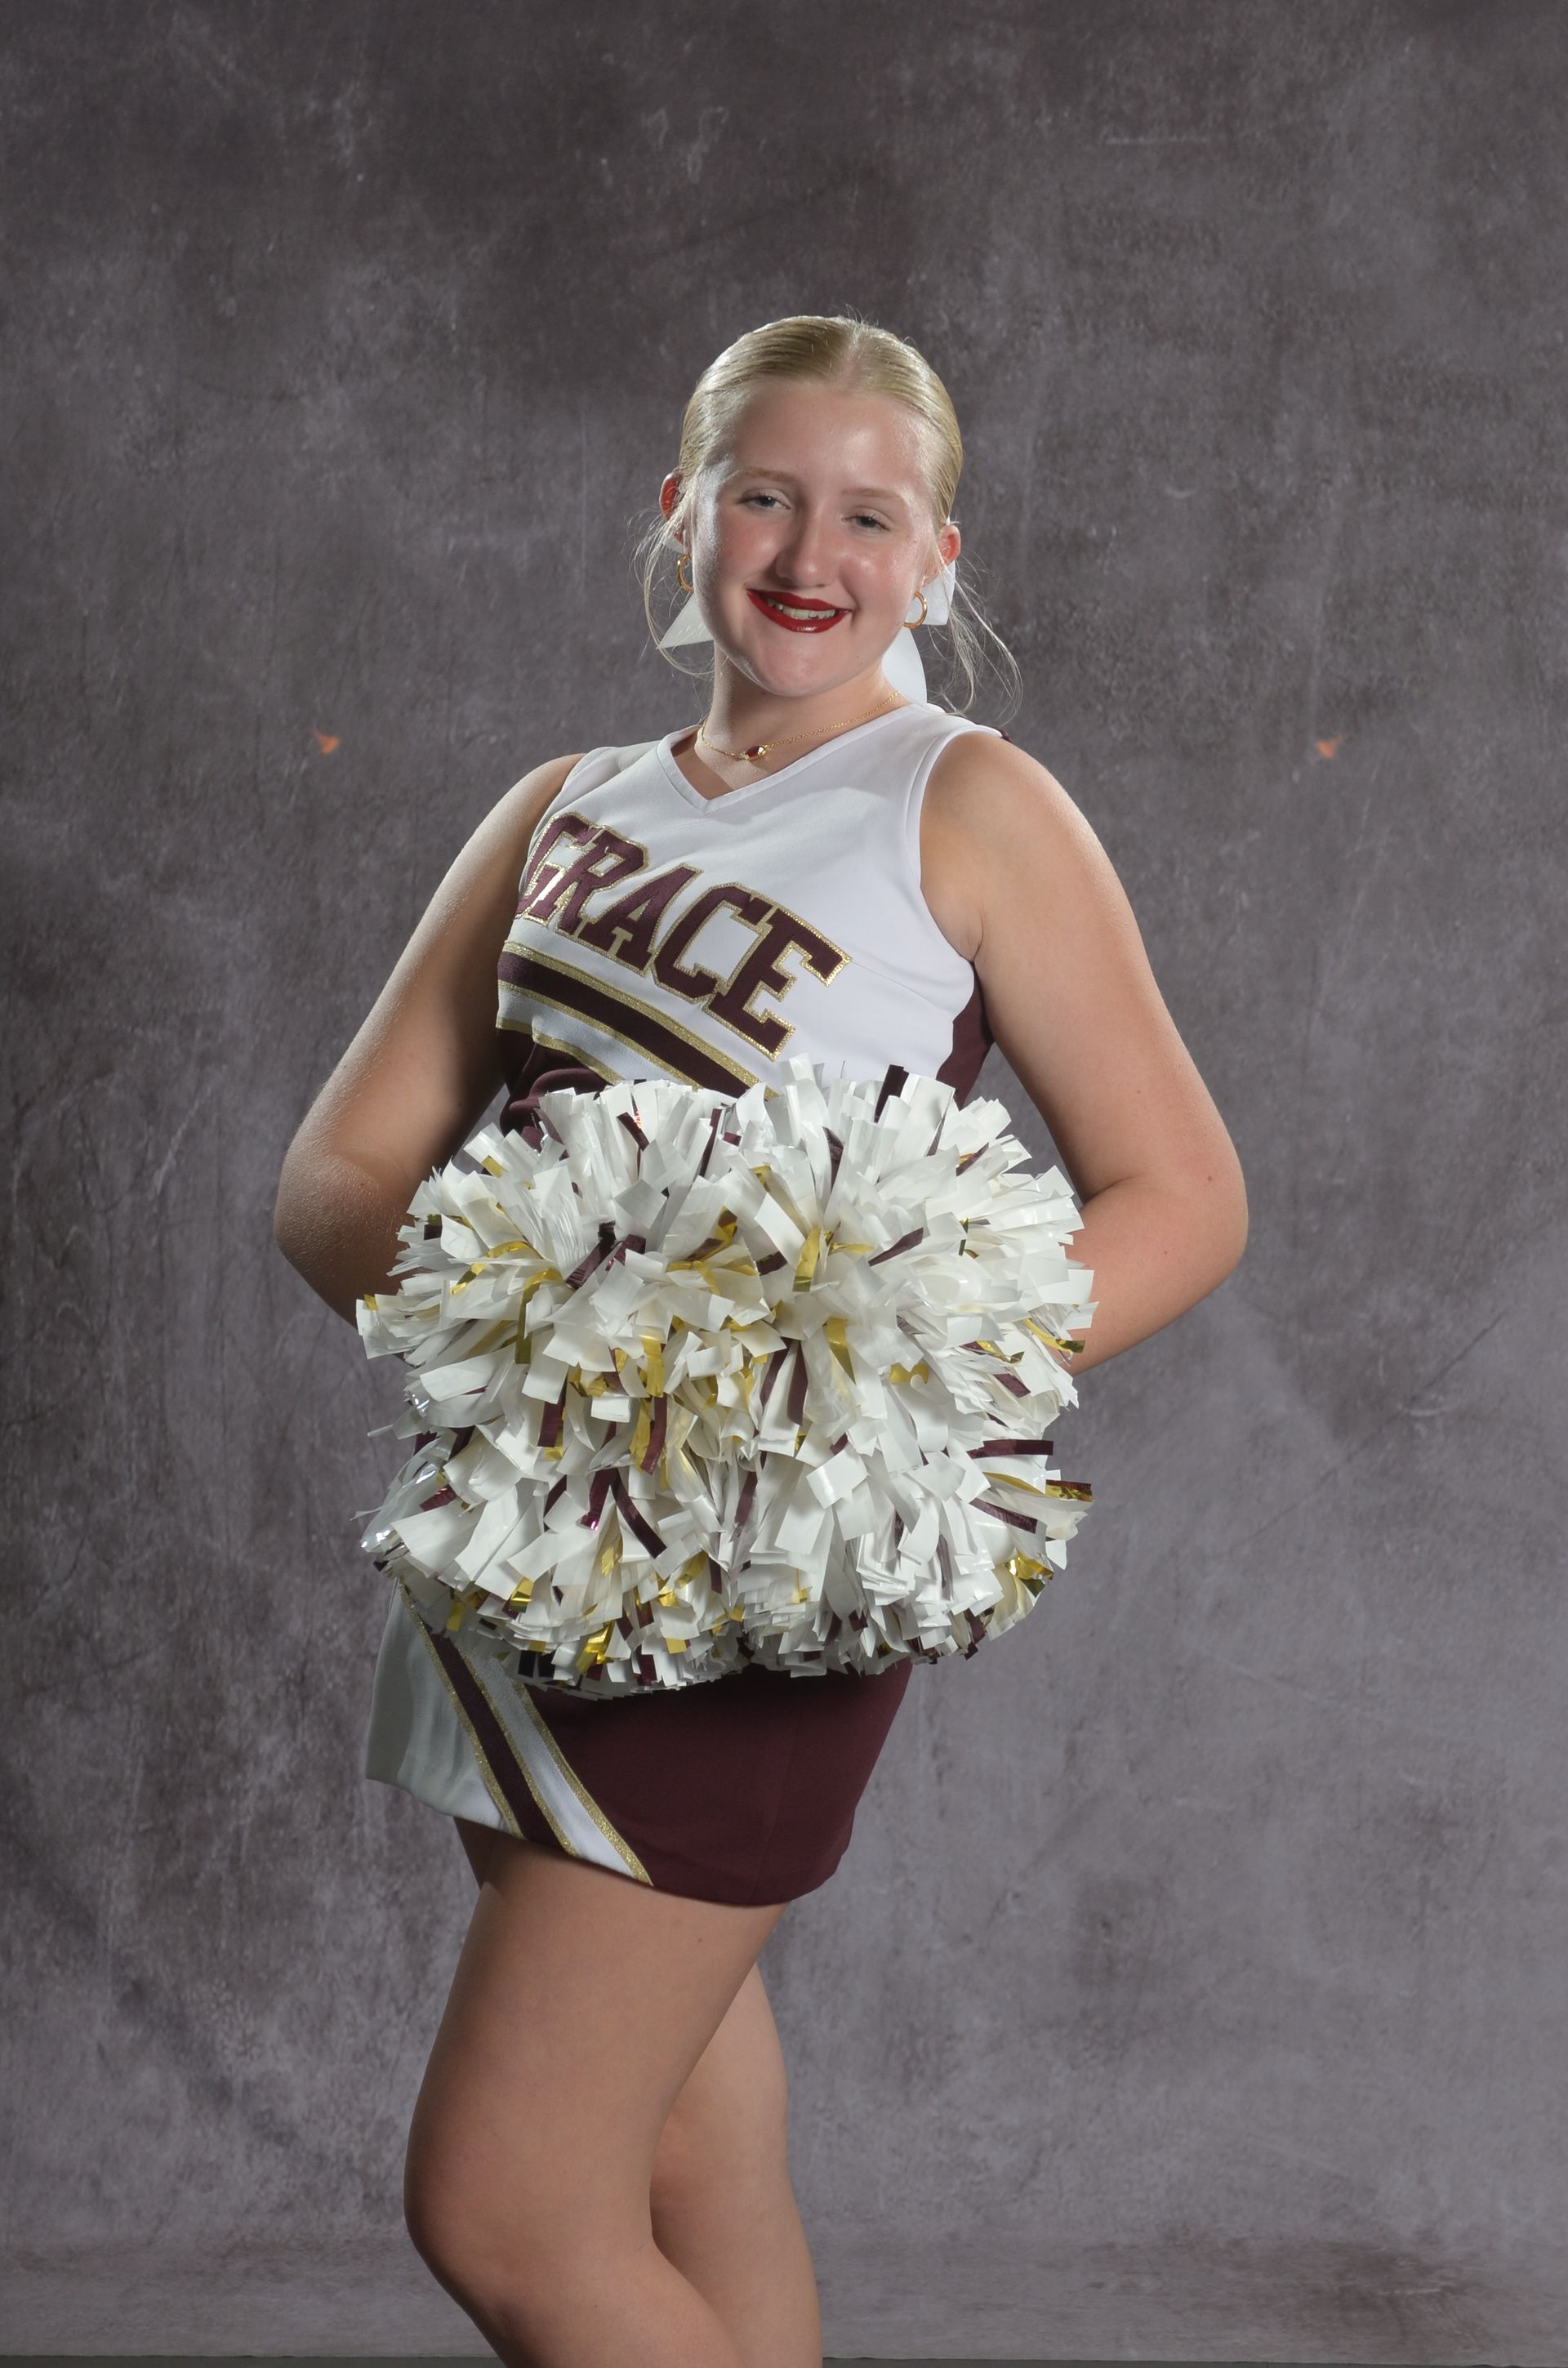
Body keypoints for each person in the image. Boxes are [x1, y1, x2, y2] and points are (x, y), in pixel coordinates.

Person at [272, 312, 1248, 2368]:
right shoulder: (566, 802)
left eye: (871, 514)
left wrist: (870, 1382)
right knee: (691, 2172)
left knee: (510, 2207)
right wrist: (540, 1337)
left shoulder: (968, 800)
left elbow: (1181, 1195)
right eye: (768, 495)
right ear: (683, 514)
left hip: (749, 1572)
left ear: (939, 556)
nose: (815, 551)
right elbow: (341, 1172)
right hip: (525, 1544)